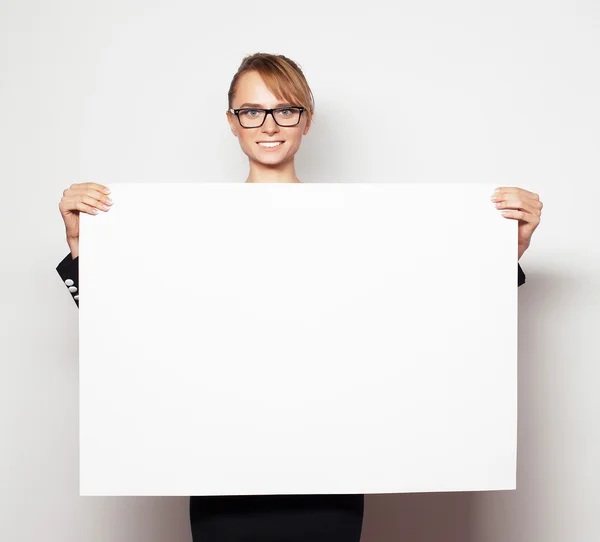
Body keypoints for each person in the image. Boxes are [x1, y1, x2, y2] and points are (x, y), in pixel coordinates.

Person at [56, 52, 543, 541]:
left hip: (332, 468)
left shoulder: (359, 227)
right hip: (219, 464)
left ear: (307, 120)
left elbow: (421, 319)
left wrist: (503, 254)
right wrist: (84, 251)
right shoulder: (188, 228)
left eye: (286, 109)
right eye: (252, 111)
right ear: (232, 123)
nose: (269, 125)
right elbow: (135, 329)